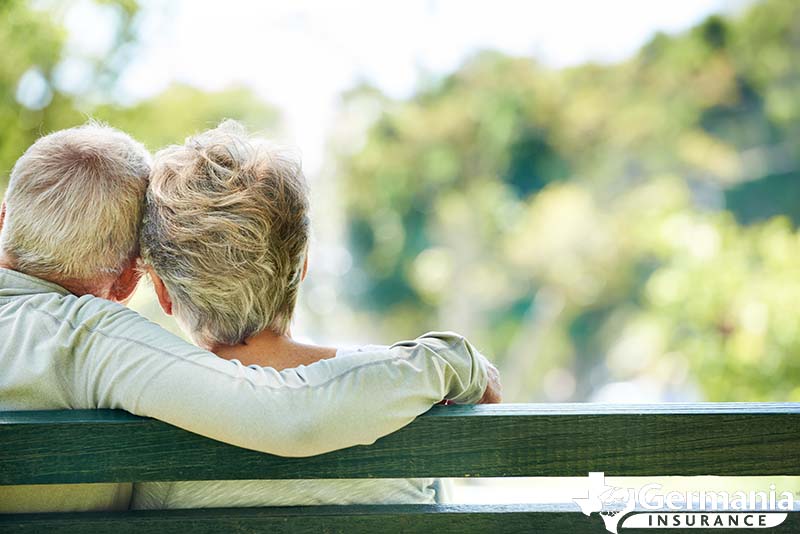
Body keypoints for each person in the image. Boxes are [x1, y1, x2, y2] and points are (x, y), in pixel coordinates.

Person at [0, 122, 501, 513]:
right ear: (302, 267)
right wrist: (445, 360)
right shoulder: (87, 338)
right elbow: (291, 415)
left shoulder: (134, 408)